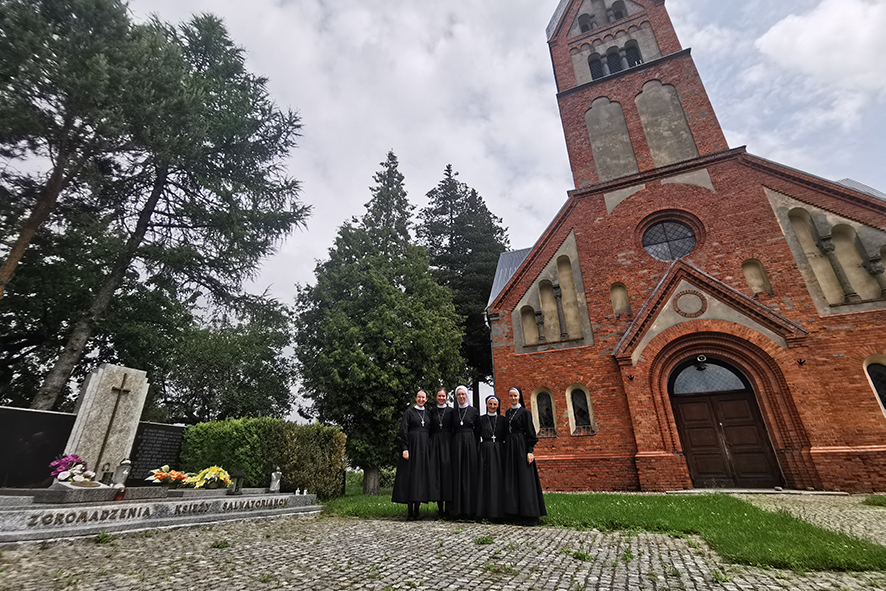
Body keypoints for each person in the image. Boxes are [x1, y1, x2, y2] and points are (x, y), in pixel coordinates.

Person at [503, 386, 547, 523]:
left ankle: (529, 514)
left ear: (519, 397)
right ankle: (514, 513)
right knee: (512, 479)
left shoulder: (525, 413)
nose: (513, 398)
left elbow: (531, 434)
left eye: (515, 396)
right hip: (510, 448)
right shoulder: (508, 413)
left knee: (525, 479)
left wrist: (530, 451)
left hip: (521, 447)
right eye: (511, 396)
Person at [391, 390, 433, 520]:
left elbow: (431, 432)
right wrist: (404, 448)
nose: (421, 399)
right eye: (419, 397)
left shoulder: (428, 414)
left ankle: (417, 510)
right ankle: (410, 511)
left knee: (420, 478)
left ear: (426, 399)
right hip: (412, 448)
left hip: (424, 449)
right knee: (410, 477)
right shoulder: (409, 413)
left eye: (423, 397)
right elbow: (403, 431)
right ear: (415, 398)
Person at [449, 385, 479, 520]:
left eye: (463, 394)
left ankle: (470, 510)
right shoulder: (453, 412)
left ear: (467, 395)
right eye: (459, 395)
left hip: (470, 443)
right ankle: (458, 510)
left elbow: (478, 430)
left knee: (469, 474)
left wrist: (475, 445)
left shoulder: (473, 411)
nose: (461, 397)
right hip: (457, 444)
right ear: (456, 397)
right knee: (458, 474)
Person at [475, 394, 507, 521]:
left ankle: (499, 512)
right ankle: (485, 511)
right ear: (486, 405)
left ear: (498, 406)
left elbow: (505, 435)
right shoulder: (481, 419)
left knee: (498, 479)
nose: (492, 406)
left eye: (495, 404)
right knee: (485, 479)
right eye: (490, 404)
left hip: (499, 450)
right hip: (485, 449)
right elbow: (477, 435)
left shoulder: (502, 420)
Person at [428, 387, 455, 518]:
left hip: (448, 443)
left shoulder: (451, 411)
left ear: (446, 397)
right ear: (436, 397)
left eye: (443, 396)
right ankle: (439, 508)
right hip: (435, 443)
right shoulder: (431, 412)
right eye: (439, 396)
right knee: (437, 474)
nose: (441, 398)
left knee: (447, 475)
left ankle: (448, 509)